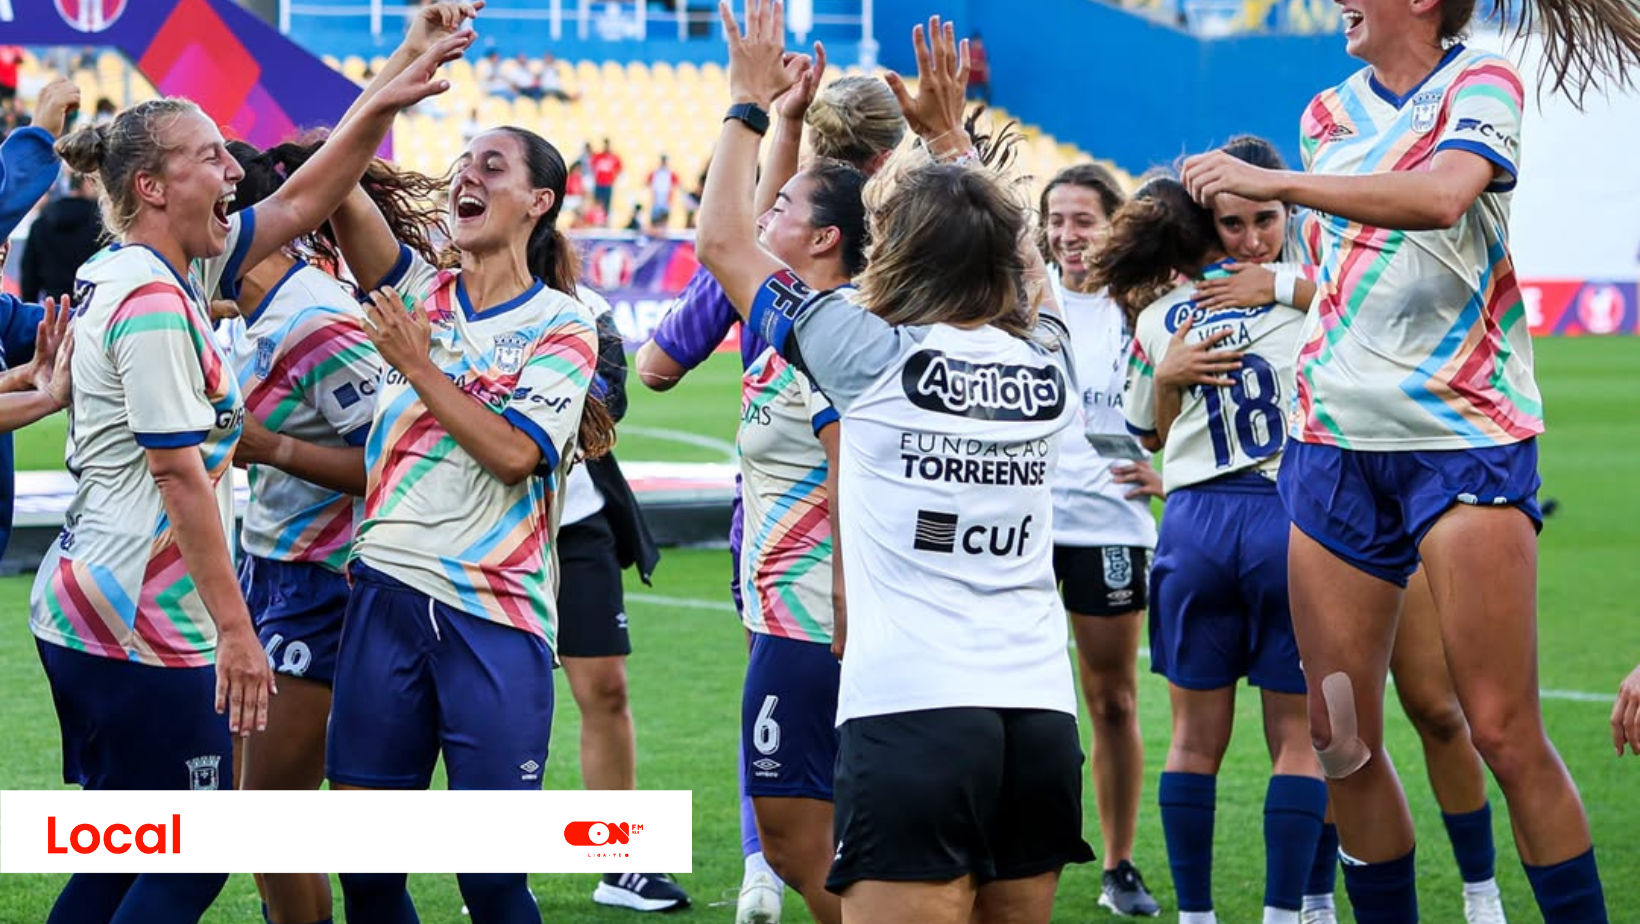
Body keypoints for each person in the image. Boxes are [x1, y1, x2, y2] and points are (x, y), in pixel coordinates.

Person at [1178, 0, 1640, 917]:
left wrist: (1279, 184)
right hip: (1333, 453)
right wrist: (1277, 272)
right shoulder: (1327, 113)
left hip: (1461, 444)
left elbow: (1439, 197)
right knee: (1339, 737)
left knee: (1501, 731)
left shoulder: (1482, 81)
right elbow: (1350, 275)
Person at [32, 31, 461, 924]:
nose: (234, 167)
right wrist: (237, 632)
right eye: (208, 156)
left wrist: (393, 81)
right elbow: (180, 477)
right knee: (195, 857)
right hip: (138, 615)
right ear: (152, 187)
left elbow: (305, 195)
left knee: (127, 851)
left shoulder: (158, 266)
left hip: (93, 597)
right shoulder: (154, 298)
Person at [698, 8, 1093, 924]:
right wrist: (954, 142)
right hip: (1040, 719)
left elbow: (724, 243)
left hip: (913, 715)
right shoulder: (1049, 366)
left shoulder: (869, 355)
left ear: (901, 250)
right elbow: (1035, 273)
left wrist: (747, 102)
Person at [321, 5, 615, 921]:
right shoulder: (414, 289)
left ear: (539, 202)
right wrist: (408, 56)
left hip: (495, 613)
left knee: (491, 879)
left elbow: (516, 454)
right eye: (463, 163)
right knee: (368, 874)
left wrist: (419, 366)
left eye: (493, 166)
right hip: (387, 592)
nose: (466, 176)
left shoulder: (563, 324)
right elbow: (334, 177)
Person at [1191, 135, 1507, 924]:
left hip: (1394, 498)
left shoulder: (1328, 255)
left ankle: (1482, 892)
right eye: (1232, 224)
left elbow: (1375, 307)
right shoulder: (1204, 299)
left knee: (1437, 708)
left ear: (1291, 212)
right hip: (1305, 525)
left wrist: (1282, 284)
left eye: (1265, 219)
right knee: (1334, 730)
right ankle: (1316, 896)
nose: (1250, 239)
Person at [634, 49, 905, 924]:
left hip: (807, 563)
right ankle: (787, 860)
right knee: (831, 753)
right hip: (845, 561)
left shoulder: (827, 316)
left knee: (799, 748)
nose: (773, 215)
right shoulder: (904, 292)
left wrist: (762, 114)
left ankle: (770, 863)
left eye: (785, 203)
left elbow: (660, 357)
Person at [216, 135, 444, 924]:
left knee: (270, 820)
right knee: (264, 819)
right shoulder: (247, 309)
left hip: (324, 586)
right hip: (268, 570)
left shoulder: (313, 320)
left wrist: (270, 448)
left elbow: (396, 462)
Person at [1087, 175, 1324, 924]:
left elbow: (1146, 432)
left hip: (1193, 524)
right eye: (1236, 224)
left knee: (1191, 742)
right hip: (1287, 517)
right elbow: (1369, 316)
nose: (1251, 238)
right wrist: (1284, 283)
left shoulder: (1160, 316)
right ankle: (1284, 913)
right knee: (1301, 741)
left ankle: (1196, 916)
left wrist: (1166, 379)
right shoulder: (1305, 298)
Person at [1039, 163, 1163, 918]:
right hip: (1022, 525)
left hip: (1110, 525)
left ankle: (1118, 864)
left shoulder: (1141, 305)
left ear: (1114, 223)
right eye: (1055, 220)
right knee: (1017, 699)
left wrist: (1166, 474)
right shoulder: (1022, 298)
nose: (1067, 235)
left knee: (1112, 700)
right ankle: (1017, 851)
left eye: (1082, 220)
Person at [560, 286, 690, 914]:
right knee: (497, 701)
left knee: (607, 689)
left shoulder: (586, 306)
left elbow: (607, 407)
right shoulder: (449, 298)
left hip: (575, 518)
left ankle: (618, 861)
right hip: (483, 528)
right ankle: (496, 873)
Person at [22, 170, 105, 303]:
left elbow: (29, 277)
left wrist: (29, 309)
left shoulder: (40, 224)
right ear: (87, 184)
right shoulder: (100, 225)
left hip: (53, 307)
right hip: (91, 305)